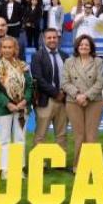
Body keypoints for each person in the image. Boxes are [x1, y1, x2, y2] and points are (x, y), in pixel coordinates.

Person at [0, 36, 34, 179]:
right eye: (4, 47)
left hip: (22, 109)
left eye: (10, 47)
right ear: (0, 49)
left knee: (20, 138)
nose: (7, 50)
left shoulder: (23, 66)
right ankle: (5, 169)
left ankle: (18, 168)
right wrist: (8, 104)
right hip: (3, 109)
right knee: (4, 139)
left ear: (15, 49)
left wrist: (24, 101)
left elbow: (30, 86)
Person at [61, 35, 103, 171]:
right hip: (73, 102)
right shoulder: (69, 62)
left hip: (94, 102)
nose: (84, 47)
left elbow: (100, 82)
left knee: (91, 135)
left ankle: (92, 166)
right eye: (81, 45)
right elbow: (64, 82)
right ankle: (78, 166)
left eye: (86, 45)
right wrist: (77, 95)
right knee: (79, 135)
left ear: (91, 47)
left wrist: (86, 96)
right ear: (77, 47)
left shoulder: (98, 61)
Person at [30, 28, 70, 164]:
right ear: (44, 39)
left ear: (58, 39)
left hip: (63, 100)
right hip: (45, 100)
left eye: (54, 37)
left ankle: (59, 163)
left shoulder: (65, 55)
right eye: (49, 38)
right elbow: (38, 78)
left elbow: (69, 77)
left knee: (62, 134)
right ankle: (38, 163)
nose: (52, 40)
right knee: (41, 134)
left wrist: (64, 93)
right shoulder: (37, 56)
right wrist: (55, 93)